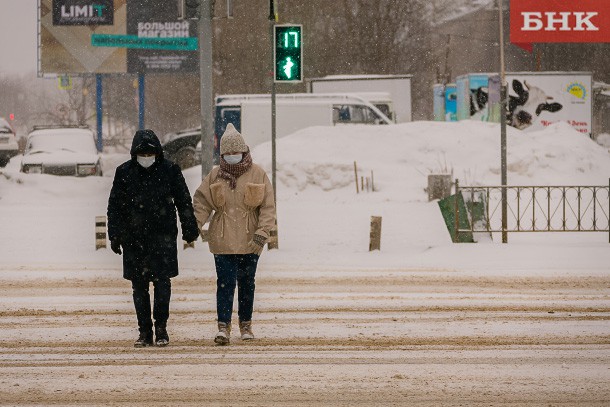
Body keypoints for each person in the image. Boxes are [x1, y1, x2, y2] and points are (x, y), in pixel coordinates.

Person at [107, 129, 200, 348]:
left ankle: (161, 328)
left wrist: (189, 227)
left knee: (162, 283)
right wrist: (115, 234)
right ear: (135, 153)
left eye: (150, 153)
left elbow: (183, 200)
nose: (147, 157)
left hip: (163, 237)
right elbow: (115, 207)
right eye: (143, 153)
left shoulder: (170, 170)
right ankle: (144, 331)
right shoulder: (124, 173)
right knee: (138, 287)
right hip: (134, 239)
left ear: (158, 152)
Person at [193, 123, 276, 345]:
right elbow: (201, 203)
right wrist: (195, 225)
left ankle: (246, 324)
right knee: (225, 283)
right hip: (222, 239)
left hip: (251, 240)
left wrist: (262, 231)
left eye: (235, 152)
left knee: (247, 282)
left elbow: (268, 207)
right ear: (222, 154)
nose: (231, 156)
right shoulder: (214, 176)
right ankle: (223, 326)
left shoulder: (258, 173)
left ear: (244, 151)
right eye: (227, 153)